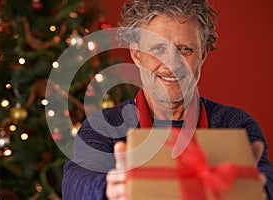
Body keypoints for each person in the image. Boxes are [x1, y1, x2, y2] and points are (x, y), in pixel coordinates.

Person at [62, 0, 273, 199]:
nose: (172, 63)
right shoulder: (104, 127)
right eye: (158, 49)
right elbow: (75, 183)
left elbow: (268, 180)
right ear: (136, 54)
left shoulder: (235, 125)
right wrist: (108, 188)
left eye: (185, 49)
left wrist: (255, 188)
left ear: (203, 53)